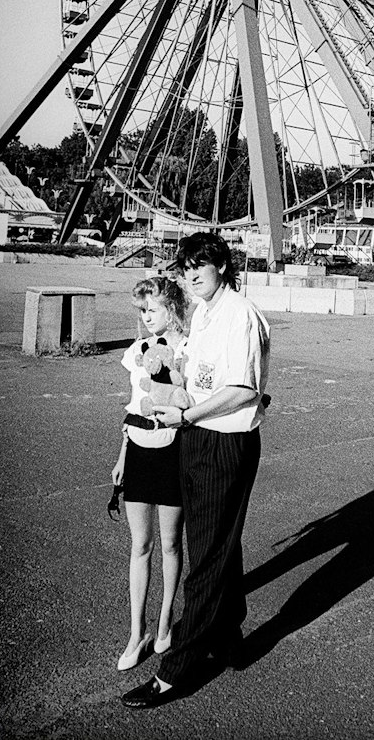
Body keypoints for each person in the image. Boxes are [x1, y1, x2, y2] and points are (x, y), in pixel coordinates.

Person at [122, 232, 269, 709]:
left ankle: (174, 670)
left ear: (222, 266)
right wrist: (173, 396)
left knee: (205, 556)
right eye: (184, 268)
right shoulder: (204, 313)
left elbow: (243, 389)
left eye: (199, 267)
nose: (190, 275)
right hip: (195, 436)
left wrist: (187, 414)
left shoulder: (239, 315)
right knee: (217, 542)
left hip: (223, 442)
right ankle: (230, 640)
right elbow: (198, 379)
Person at [111, 275, 190, 671]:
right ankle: (135, 632)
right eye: (141, 311)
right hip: (140, 448)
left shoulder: (189, 351)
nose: (145, 318)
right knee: (139, 546)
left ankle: (163, 626)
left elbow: (190, 402)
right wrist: (123, 454)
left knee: (171, 545)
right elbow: (135, 403)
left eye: (151, 309)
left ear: (172, 309)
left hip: (174, 449)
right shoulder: (135, 352)